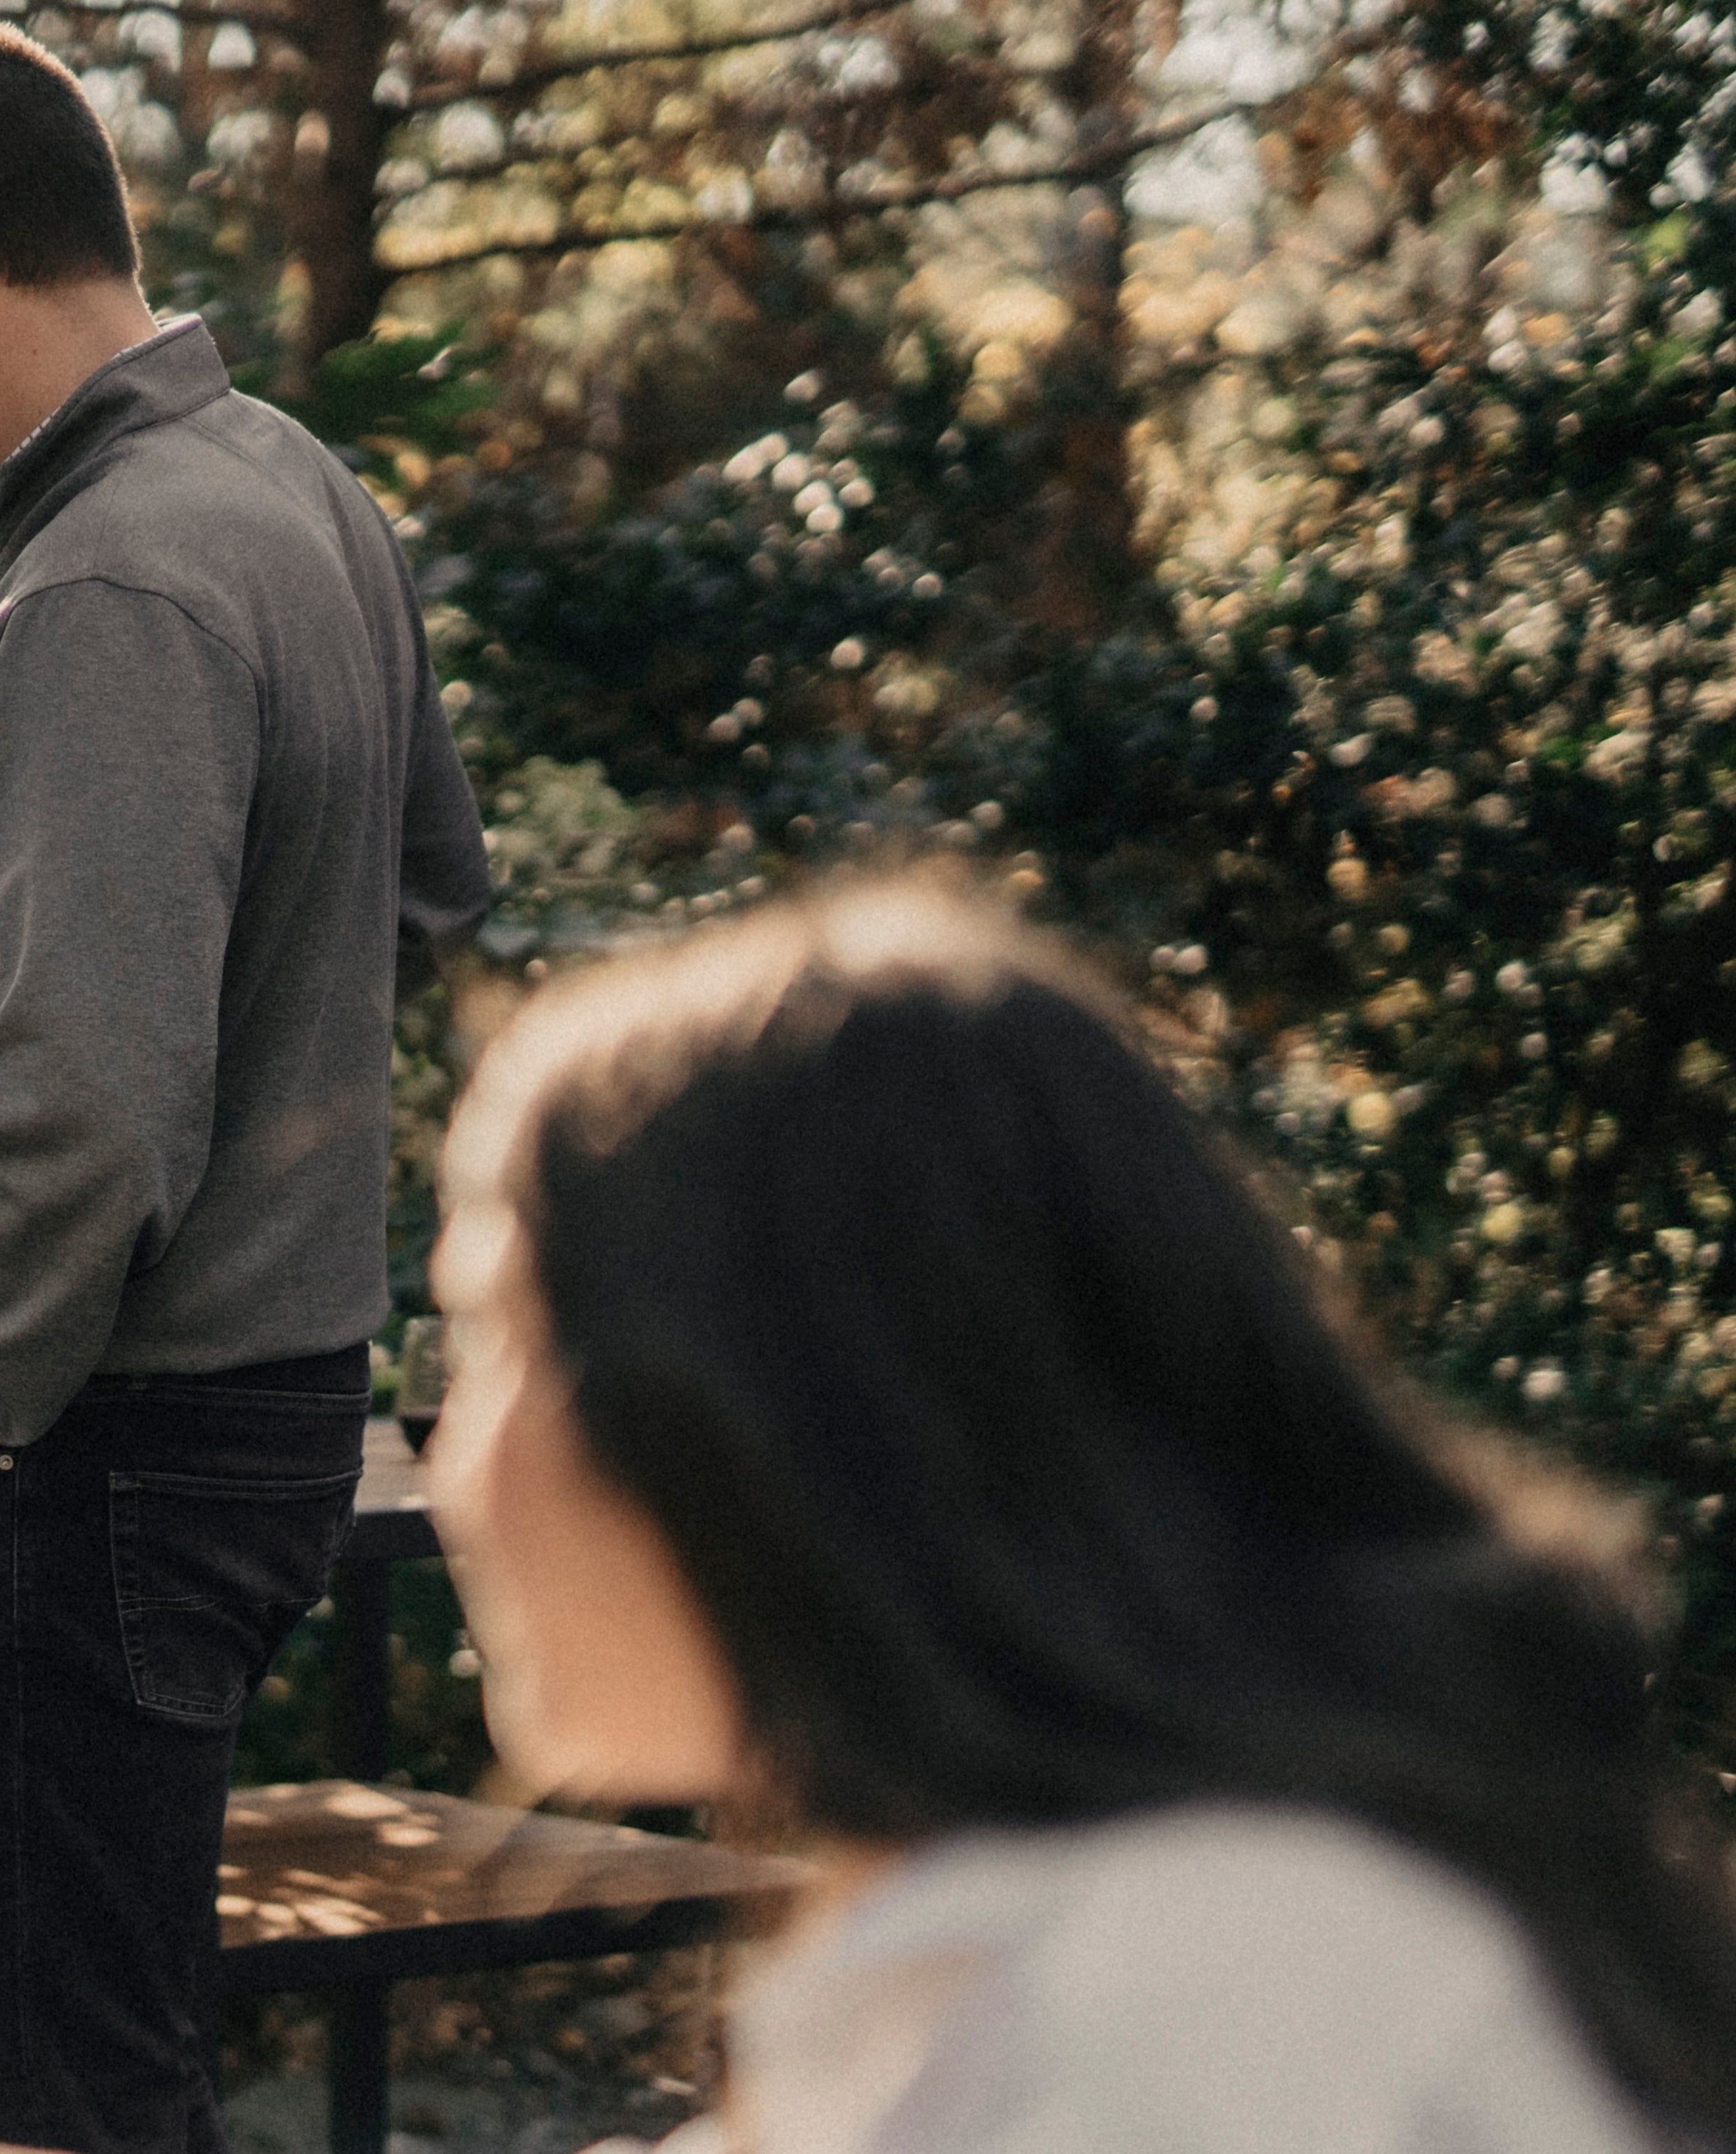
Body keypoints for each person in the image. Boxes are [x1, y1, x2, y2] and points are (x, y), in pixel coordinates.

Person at [424, 879, 1736, 2153]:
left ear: (775, 1401)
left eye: (498, 1335)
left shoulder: (1186, 2000)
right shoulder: (1214, 1924)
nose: (452, 1474)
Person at [0, 19, 491, 2153]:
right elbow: (427, 891)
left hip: (75, 1452)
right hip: (242, 1416)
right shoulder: (293, 490)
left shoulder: (109, 583)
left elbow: (89, 1102)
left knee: (53, 2093)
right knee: (114, 2050)